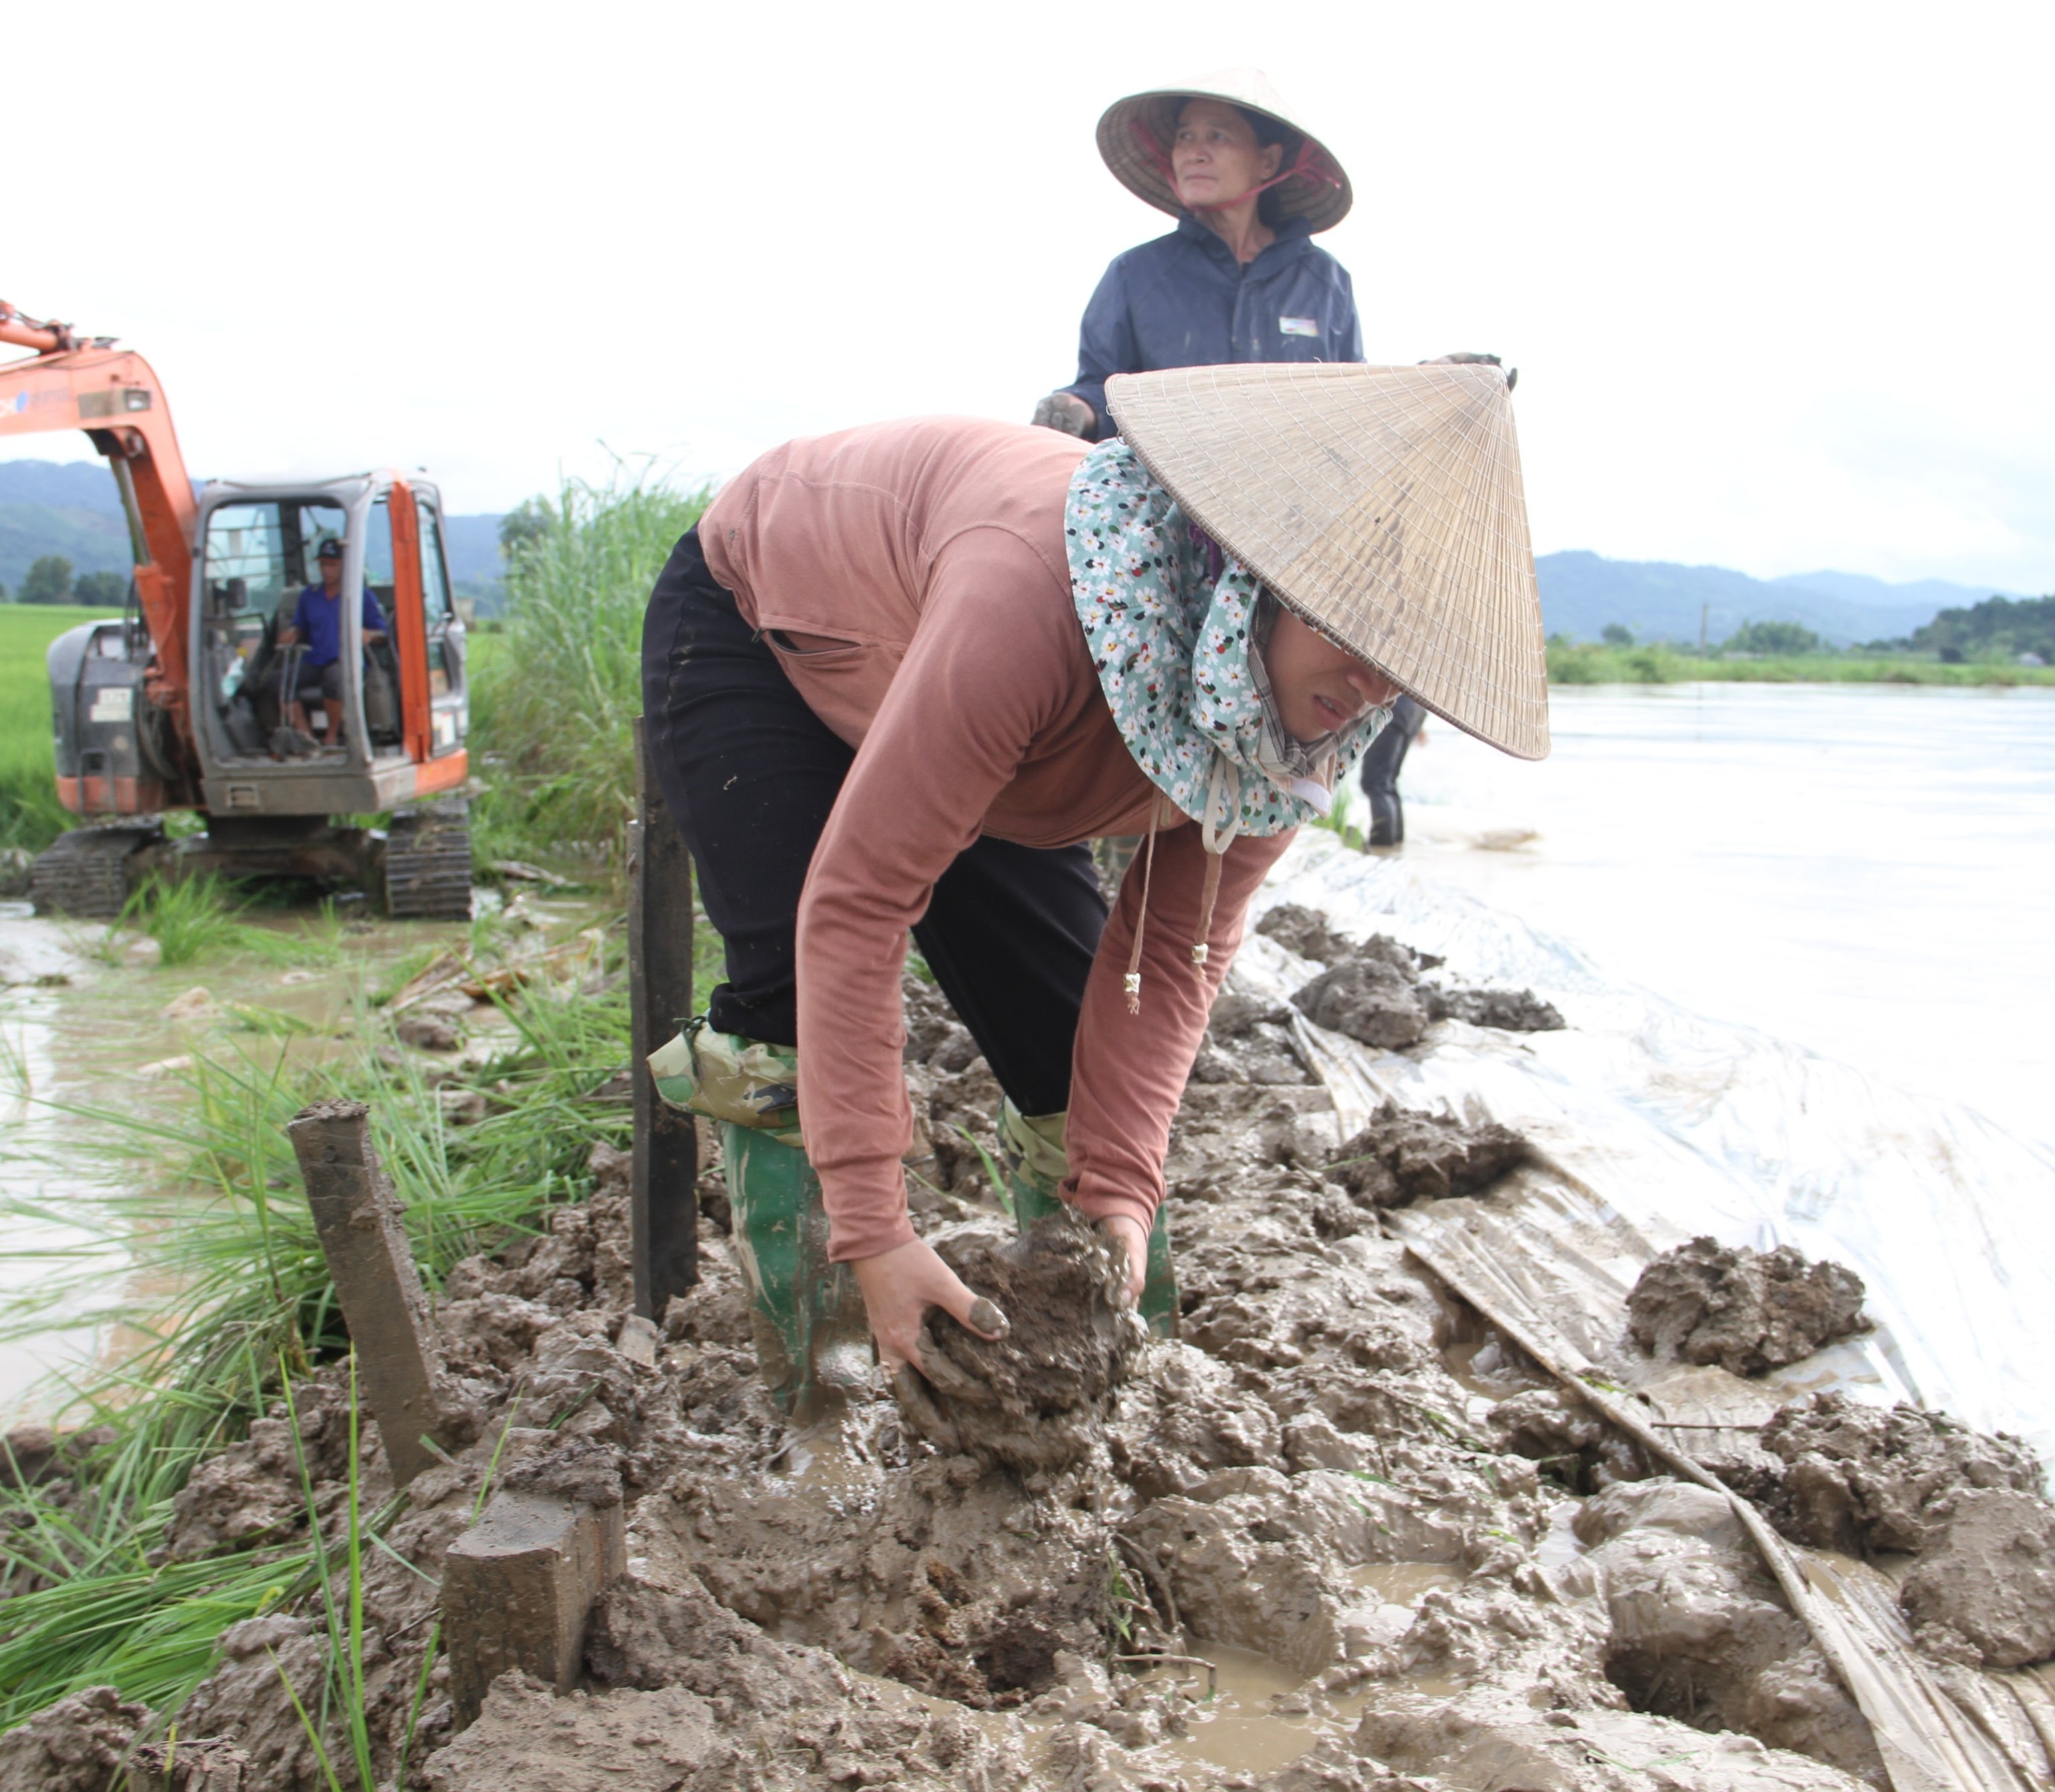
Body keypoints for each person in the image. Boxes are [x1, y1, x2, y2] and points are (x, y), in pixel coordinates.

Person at [639, 363, 1549, 1395]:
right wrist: (874, 1222)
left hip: (986, 719)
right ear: (1254, 577)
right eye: (1347, 635)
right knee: (784, 1016)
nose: (1366, 689)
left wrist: (1120, 1182)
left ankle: (1099, 1376)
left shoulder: (1300, 736)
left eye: (1403, 664)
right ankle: (823, 1388)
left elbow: (1174, 945)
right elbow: (859, 901)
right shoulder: (1028, 608)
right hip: (781, 625)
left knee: (1073, 1055)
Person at [1033, 71, 1362, 444]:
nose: (1195, 153)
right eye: (1184, 137)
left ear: (1267, 161)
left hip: (1296, 490)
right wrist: (1078, 408)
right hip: (1170, 490)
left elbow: (1355, 401)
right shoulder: (1135, 274)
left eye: (1218, 136)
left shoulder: (1324, 281)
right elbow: (1104, 390)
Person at [276, 536, 388, 749]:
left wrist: (370, 635)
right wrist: (293, 633)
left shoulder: (362, 596)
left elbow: (383, 634)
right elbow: (300, 626)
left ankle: (332, 735)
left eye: (332, 565)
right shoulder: (309, 596)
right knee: (280, 681)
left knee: (334, 679)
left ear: (345, 566)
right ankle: (305, 736)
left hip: (346, 661)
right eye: (323, 565)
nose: (327, 571)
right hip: (315, 658)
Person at [1360, 696, 1428, 850]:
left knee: (1377, 783)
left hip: (1393, 710)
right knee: (1387, 782)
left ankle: (1382, 846)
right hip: (1414, 709)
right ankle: (1394, 845)